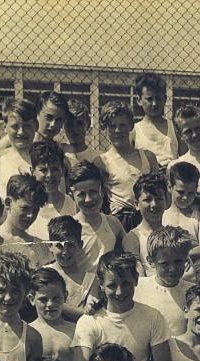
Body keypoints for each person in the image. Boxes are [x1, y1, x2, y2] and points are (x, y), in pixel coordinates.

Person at [71, 250, 173, 361]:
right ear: (101, 285)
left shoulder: (152, 317)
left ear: (135, 280)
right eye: (112, 285)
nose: (119, 291)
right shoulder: (89, 321)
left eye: (126, 283)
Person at [99, 101, 161, 231]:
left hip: (147, 218)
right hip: (119, 222)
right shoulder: (102, 161)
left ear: (131, 126)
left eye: (122, 125)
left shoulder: (148, 157)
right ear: (105, 128)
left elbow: (159, 191)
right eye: (112, 126)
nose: (117, 130)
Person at [133, 226, 194, 336]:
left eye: (178, 262)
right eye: (165, 264)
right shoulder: (138, 289)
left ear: (186, 258)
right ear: (151, 262)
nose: (173, 269)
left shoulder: (193, 292)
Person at [161, 162, 200, 281]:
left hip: (196, 278)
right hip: (169, 278)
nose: (185, 197)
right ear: (169, 187)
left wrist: (176, 255)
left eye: (190, 193)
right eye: (180, 192)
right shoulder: (162, 217)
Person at [69, 160, 126, 267]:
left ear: (102, 191)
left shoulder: (113, 223)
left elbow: (128, 253)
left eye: (93, 192)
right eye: (81, 194)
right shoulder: (69, 228)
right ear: (72, 196)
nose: (88, 199)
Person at [0, 98, 39, 199]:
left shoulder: (47, 163)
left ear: (36, 126)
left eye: (27, 126)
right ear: (5, 127)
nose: (21, 132)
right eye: (15, 126)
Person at [46, 216, 98, 318]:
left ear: (80, 245)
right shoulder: (45, 273)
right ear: (50, 246)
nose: (65, 252)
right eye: (59, 246)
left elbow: (90, 315)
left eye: (70, 246)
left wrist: (59, 306)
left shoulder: (91, 280)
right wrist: (80, 312)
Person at [0, 174, 53, 270]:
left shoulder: (41, 247)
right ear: (8, 203)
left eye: (35, 210)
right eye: (25, 208)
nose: (30, 215)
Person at [28, 140, 78, 241]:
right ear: (33, 172)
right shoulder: (27, 206)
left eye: (55, 169)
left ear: (62, 170)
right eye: (43, 170)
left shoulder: (73, 204)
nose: (50, 175)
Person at [123, 171, 170, 276]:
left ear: (166, 201)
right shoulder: (133, 238)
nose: (154, 204)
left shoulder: (172, 233)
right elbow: (139, 277)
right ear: (136, 204)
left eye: (159, 199)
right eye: (147, 200)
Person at [131, 72, 181, 169]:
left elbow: (185, 159)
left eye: (158, 98)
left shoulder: (174, 128)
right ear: (139, 100)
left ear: (165, 99)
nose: (154, 104)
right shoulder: (134, 131)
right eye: (149, 99)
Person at [29, 268, 76, 361]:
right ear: (32, 299)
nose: (50, 304)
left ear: (65, 296)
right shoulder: (27, 332)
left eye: (56, 298)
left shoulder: (75, 331)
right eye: (43, 299)